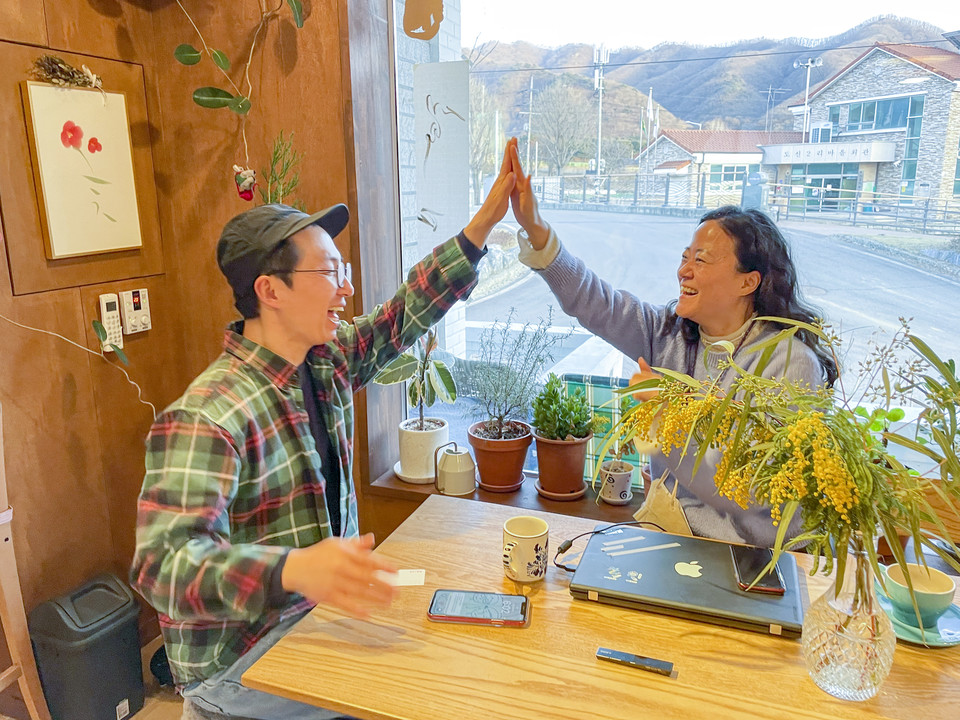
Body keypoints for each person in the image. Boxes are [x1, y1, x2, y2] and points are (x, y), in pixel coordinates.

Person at [130, 142, 520, 719]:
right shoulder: (209, 415)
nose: (347, 289)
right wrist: (293, 568)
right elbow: (161, 567)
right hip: (239, 667)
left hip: (316, 620)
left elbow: (399, 315)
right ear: (270, 291)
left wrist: (482, 225)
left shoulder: (324, 360)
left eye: (345, 272)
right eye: (330, 272)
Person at [506, 144, 836, 547]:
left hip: (757, 558)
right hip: (673, 535)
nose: (683, 270)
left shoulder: (790, 364)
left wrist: (663, 418)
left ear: (748, 282)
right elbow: (594, 301)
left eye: (701, 260)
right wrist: (537, 229)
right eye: (684, 257)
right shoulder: (671, 334)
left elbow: (747, 492)